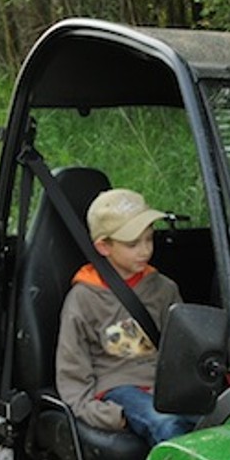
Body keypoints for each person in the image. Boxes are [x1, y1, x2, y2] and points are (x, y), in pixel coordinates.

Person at [54, 187, 197, 445]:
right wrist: (103, 415)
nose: (145, 250)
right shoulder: (83, 299)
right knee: (167, 425)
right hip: (119, 390)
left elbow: (182, 351)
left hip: (164, 387)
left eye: (149, 239)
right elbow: (72, 372)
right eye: (133, 244)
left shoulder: (164, 289)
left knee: (221, 418)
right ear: (103, 246)